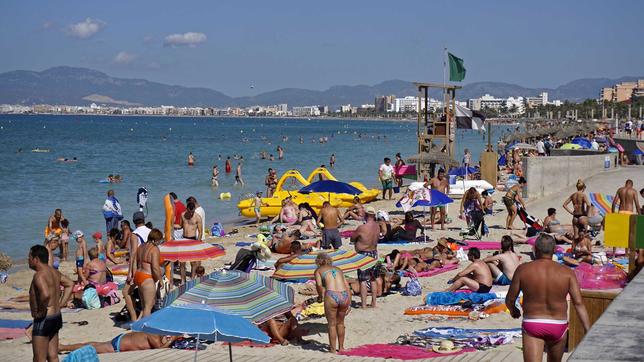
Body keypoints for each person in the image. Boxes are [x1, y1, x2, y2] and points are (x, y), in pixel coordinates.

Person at [505, 234, 590, 362]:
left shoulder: (523, 270)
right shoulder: (567, 272)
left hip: (533, 324)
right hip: (558, 325)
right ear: (555, 250)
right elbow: (578, 303)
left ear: (535, 250)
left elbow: (510, 299)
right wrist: (588, 329)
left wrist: (513, 310)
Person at [29, 244, 63, 362]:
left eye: (29, 257)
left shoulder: (39, 275)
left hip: (45, 318)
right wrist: (61, 304)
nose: (28, 260)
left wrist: (41, 312)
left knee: (39, 359)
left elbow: (45, 294)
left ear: (36, 259)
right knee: (53, 356)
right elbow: (69, 284)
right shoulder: (54, 272)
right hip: (56, 316)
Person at [314, 253, 351, 354]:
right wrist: (350, 303)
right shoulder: (338, 269)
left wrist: (320, 296)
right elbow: (347, 287)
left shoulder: (318, 271)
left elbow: (318, 285)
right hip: (344, 295)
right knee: (341, 323)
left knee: (331, 324)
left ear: (318, 261)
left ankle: (333, 349)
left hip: (331, 295)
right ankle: (342, 347)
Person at [123, 212, 151, 322]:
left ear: (134, 222)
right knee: (142, 293)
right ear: (143, 219)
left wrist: (130, 272)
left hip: (139, 267)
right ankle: (141, 317)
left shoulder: (134, 234)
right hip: (149, 265)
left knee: (126, 292)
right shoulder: (150, 231)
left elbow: (133, 253)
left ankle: (134, 318)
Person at [350, 207, 380, 308]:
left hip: (364, 254)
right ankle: (374, 303)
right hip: (374, 253)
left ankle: (363, 305)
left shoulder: (362, 228)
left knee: (363, 280)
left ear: (366, 215)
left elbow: (353, 238)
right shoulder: (377, 226)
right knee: (372, 279)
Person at [59, 332, 177, 354]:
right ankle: (64, 347)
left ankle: (64, 347)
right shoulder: (154, 335)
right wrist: (172, 340)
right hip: (119, 345)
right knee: (92, 348)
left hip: (122, 339)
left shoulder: (155, 332)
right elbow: (159, 349)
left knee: (95, 345)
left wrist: (168, 339)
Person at [134, 229, 163, 319]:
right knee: (148, 307)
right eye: (159, 240)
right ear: (156, 239)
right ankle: (146, 330)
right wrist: (161, 280)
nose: (159, 243)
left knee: (144, 305)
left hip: (138, 275)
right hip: (147, 278)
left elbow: (136, 262)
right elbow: (155, 267)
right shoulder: (154, 249)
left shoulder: (141, 247)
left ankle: (138, 324)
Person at [180, 202, 203, 283]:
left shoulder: (197, 217)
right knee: (182, 262)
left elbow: (200, 232)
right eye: (190, 212)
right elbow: (180, 226)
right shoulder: (183, 215)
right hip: (184, 239)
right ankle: (183, 280)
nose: (191, 213)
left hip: (193, 239)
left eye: (192, 212)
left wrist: (198, 242)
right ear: (187, 209)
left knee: (193, 262)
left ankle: (192, 278)